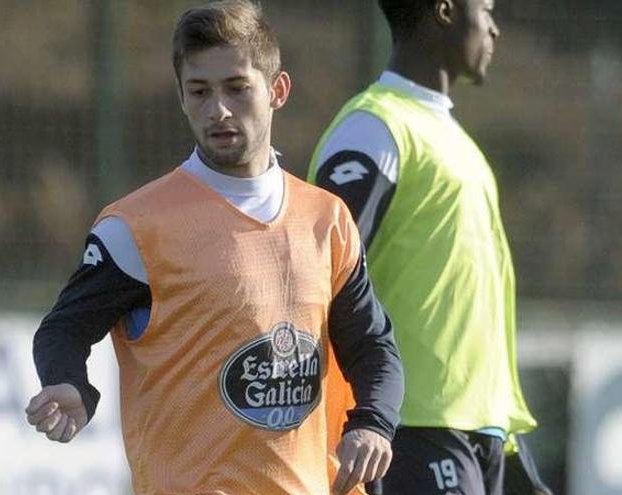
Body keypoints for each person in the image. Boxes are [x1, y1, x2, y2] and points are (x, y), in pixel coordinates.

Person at [25, 2, 403, 494]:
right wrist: (68, 381)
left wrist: (374, 424)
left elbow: (373, 345)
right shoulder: (136, 227)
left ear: (277, 90)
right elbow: (64, 329)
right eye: (199, 92)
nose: (218, 109)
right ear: (182, 99)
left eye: (237, 88)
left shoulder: (327, 219)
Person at [308, 0, 550, 494]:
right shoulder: (374, 127)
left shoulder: (452, 137)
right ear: (444, 10)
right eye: (485, 9)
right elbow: (319, 273)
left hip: (479, 429)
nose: (495, 28)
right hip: (410, 429)